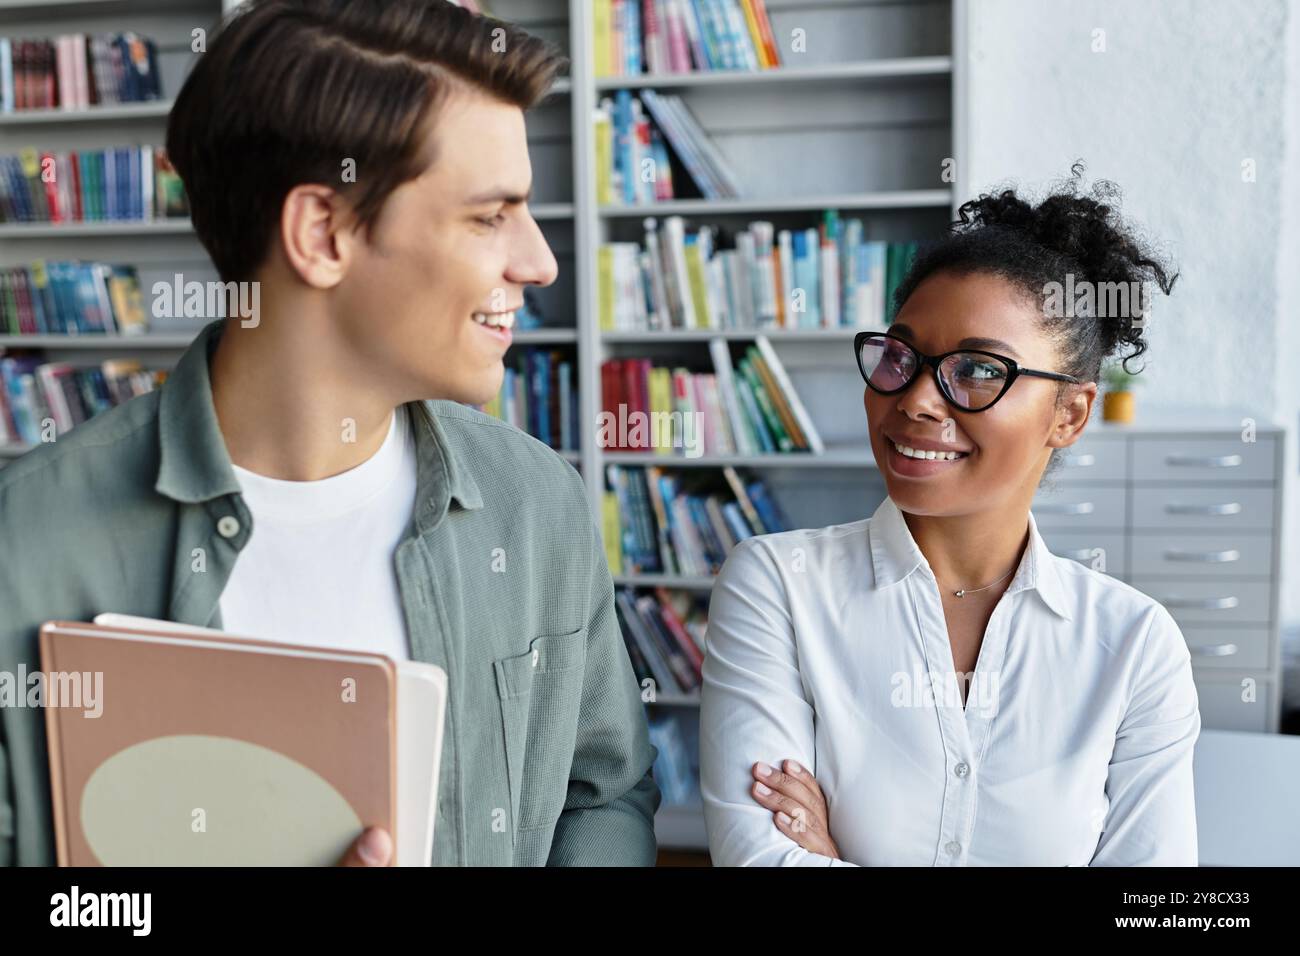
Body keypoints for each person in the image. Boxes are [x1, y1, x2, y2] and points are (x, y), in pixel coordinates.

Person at [0, 0, 658, 867]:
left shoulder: (539, 506)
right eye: (491, 215)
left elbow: (604, 795)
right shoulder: (26, 544)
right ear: (323, 233)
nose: (539, 262)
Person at [700, 167, 1199, 866]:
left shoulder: (1135, 647)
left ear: (1070, 414)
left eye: (977, 370)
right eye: (902, 356)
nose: (917, 399)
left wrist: (835, 856)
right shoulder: (777, 585)